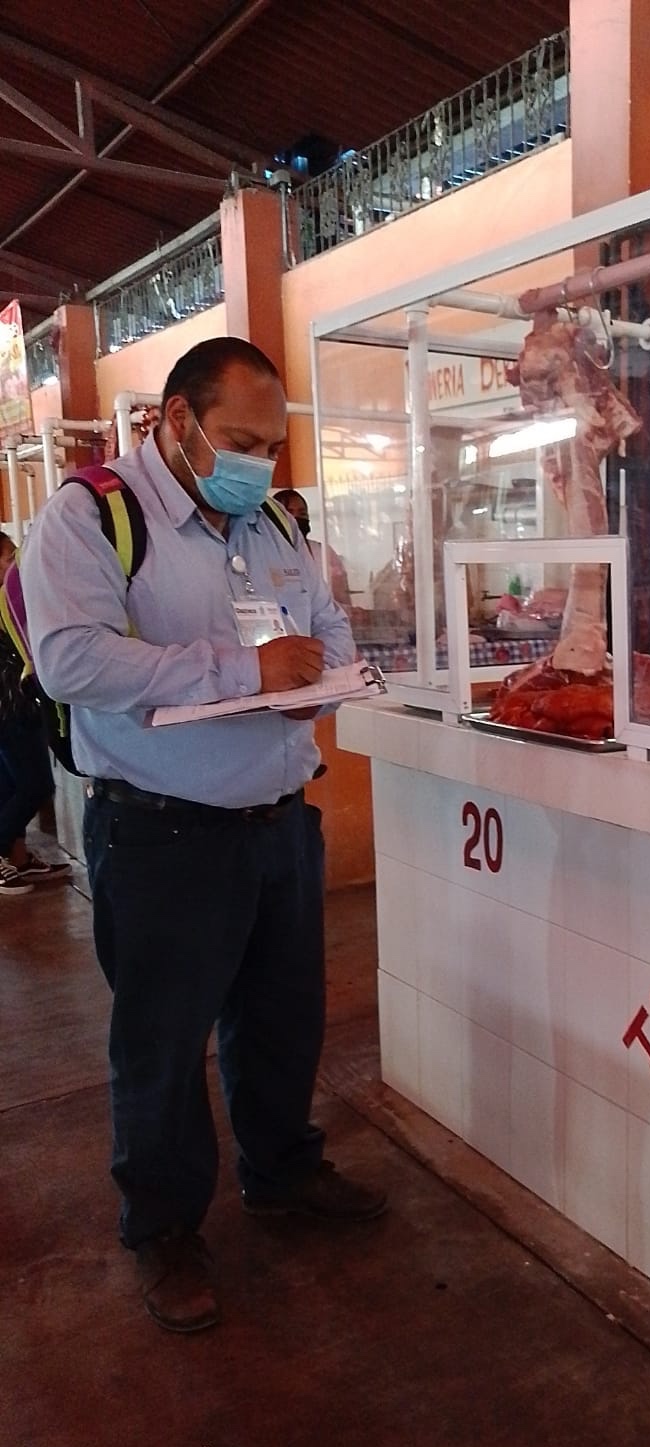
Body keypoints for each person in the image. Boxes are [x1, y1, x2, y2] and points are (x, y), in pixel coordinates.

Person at [20, 336, 387, 1336]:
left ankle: (282, 1171)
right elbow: (71, 660)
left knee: (282, 1021)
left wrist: (322, 680)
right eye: (241, 441)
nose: (258, 465)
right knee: (163, 1042)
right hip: (163, 836)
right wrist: (245, 671)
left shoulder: (275, 523)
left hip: (280, 823)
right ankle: (165, 1228)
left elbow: (328, 630)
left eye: (271, 447)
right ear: (176, 420)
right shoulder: (94, 517)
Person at [0, 533, 70, 895]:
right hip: (12, 708)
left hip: (16, 706)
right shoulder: (9, 599)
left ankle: (18, 858)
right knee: (36, 785)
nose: (16, 564)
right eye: (8, 557)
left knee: (10, 786)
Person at [275, 487, 353, 609]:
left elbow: (343, 599)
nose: (296, 519)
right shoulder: (267, 553)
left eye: (302, 513)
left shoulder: (323, 552)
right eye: (289, 513)